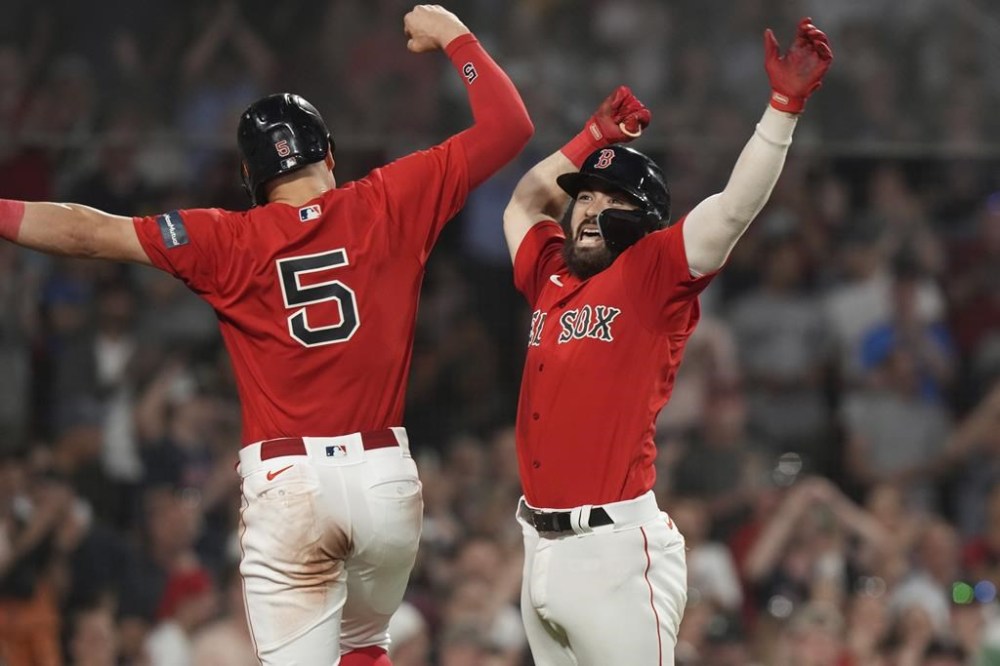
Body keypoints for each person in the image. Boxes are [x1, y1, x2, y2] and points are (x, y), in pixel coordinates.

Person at [0, 5, 533, 664]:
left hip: (290, 482)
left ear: (252, 181)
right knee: (364, 647)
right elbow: (511, 126)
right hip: (383, 479)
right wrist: (454, 34)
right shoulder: (389, 199)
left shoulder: (226, 238)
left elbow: (88, 231)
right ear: (329, 155)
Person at [502, 17, 832, 664]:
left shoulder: (653, 272)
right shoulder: (551, 271)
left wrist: (782, 110)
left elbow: (733, 209)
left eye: (611, 200)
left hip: (616, 551)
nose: (589, 209)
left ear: (646, 219)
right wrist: (591, 137)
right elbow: (524, 203)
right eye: (585, 197)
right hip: (538, 546)